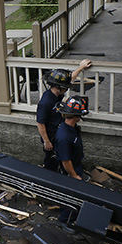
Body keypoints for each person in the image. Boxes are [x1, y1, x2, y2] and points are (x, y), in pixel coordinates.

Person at [36, 59, 92, 171]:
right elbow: (40, 123)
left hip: (58, 130)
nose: (67, 89)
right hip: (50, 136)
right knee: (51, 159)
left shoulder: (58, 92)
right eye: (65, 87)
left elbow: (70, 79)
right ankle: (49, 176)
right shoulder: (46, 102)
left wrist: (81, 67)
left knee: (64, 155)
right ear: (58, 87)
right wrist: (46, 141)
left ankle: (64, 171)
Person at [53, 95, 90, 228]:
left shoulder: (70, 128)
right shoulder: (64, 136)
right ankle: (65, 222)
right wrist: (74, 175)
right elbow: (66, 160)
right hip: (70, 171)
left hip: (76, 165)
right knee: (72, 197)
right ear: (76, 116)